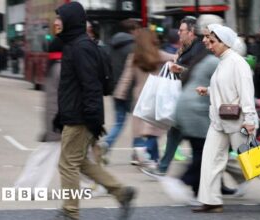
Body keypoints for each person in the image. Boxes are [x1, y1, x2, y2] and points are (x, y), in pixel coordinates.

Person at [52, 2, 135, 219]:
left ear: (70, 20)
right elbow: (74, 87)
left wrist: (92, 119)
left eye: (59, 18)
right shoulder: (76, 45)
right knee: (80, 162)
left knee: (67, 164)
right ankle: (121, 192)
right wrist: (61, 116)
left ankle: (70, 212)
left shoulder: (80, 48)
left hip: (81, 117)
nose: (56, 22)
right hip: (77, 114)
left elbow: (91, 86)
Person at [193, 25, 260, 213]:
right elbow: (227, 88)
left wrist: (250, 120)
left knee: (252, 160)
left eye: (212, 42)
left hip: (238, 121)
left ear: (224, 42)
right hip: (220, 119)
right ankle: (211, 201)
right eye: (208, 42)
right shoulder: (223, 61)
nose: (209, 46)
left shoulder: (237, 62)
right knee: (210, 159)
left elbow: (246, 92)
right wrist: (209, 90)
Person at [113, 28, 175, 165]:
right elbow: (175, 58)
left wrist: (119, 94)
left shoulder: (133, 57)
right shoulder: (158, 55)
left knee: (140, 128)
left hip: (139, 95)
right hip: (156, 95)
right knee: (155, 129)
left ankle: (147, 157)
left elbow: (126, 78)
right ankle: (146, 153)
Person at [154, 16, 207, 175]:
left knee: (231, 148)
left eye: (211, 39)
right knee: (212, 151)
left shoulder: (211, 57)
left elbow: (205, 78)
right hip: (196, 105)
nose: (207, 42)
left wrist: (252, 106)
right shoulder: (191, 50)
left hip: (231, 114)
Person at [14, 38, 63, 190]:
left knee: (47, 154)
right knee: (46, 155)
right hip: (59, 120)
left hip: (54, 119)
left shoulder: (53, 67)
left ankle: (27, 186)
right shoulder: (61, 68)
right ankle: (28, 186)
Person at [95, 19, 141, 164]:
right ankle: (137, 153)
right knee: (137, 121)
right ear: (133, 30)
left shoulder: (111, 45)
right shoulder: (134, 47)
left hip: (115, 89)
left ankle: (106, 145)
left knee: (119, 122)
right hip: (130, 90)